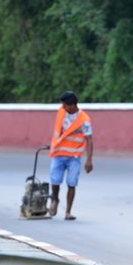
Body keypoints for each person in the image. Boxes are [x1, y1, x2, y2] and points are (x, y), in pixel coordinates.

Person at [48, 91, 93, 220]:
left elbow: (89, 139)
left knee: (72, 183)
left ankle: (68, 212)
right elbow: (60, 131)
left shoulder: (84, 120)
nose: (62, 107)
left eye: (65, 105)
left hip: (74, 156)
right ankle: (55, 200)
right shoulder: (61, 111)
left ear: (72, 105)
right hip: (58, 153)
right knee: (55, 180)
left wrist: (89, 160)